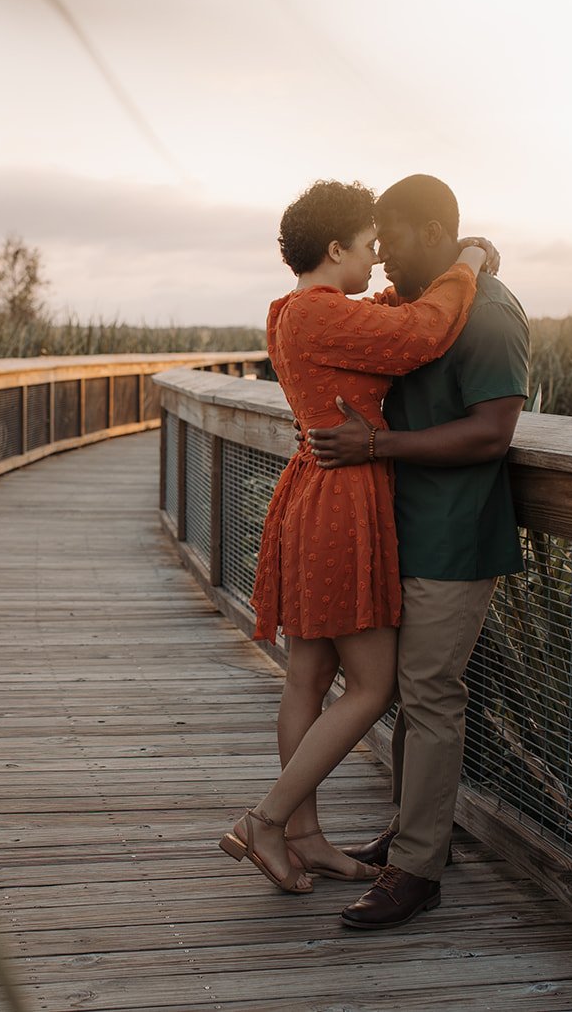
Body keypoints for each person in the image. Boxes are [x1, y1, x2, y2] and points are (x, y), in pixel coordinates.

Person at [220, 179, 495, 895]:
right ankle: (270, 819)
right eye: (369, 247)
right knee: (372, 686)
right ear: (335, 247)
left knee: (308, 677)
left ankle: (304, 837)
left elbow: (380, 316)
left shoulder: (292, 311)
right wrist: (463, 263)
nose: (377, 262)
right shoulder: (319, 316)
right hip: (343, 504)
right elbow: (420, 333)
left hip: (312, 493)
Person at [304, 174, 530, 929]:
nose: (383, 256)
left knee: (431, 693)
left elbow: (493, 432)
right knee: (409, 692)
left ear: (434, 233)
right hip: (402, 528)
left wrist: (378, 444)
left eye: (391, 240)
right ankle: (413, 832)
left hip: (455, 535)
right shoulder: (416, 306)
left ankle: (418, 870)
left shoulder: (491, 315)